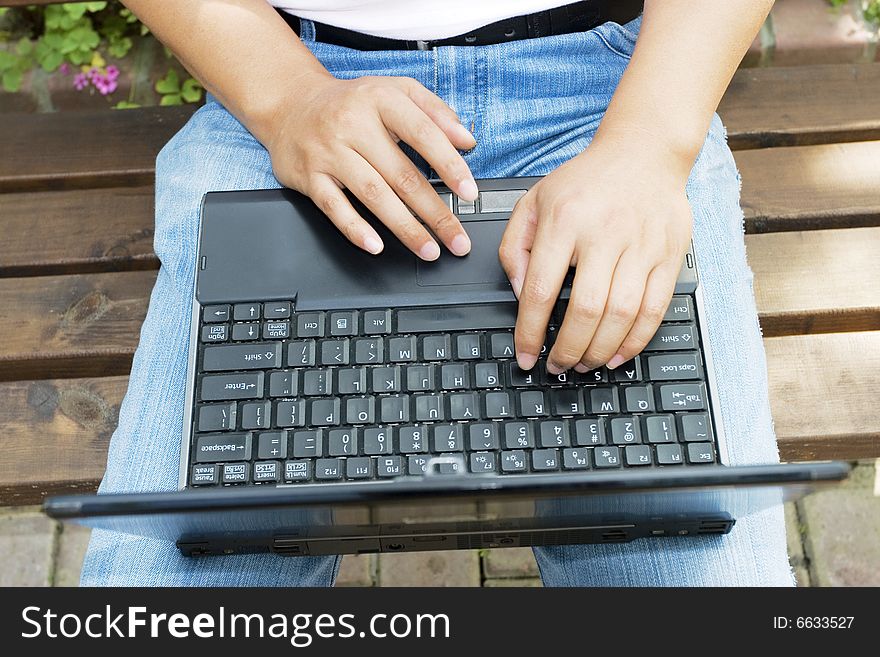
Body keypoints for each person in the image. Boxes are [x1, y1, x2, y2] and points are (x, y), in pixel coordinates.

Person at [81, 0, 794, 586]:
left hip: (614, 94)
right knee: (159, 587)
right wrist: (290, 101)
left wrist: (649, 146)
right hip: (283, 83)